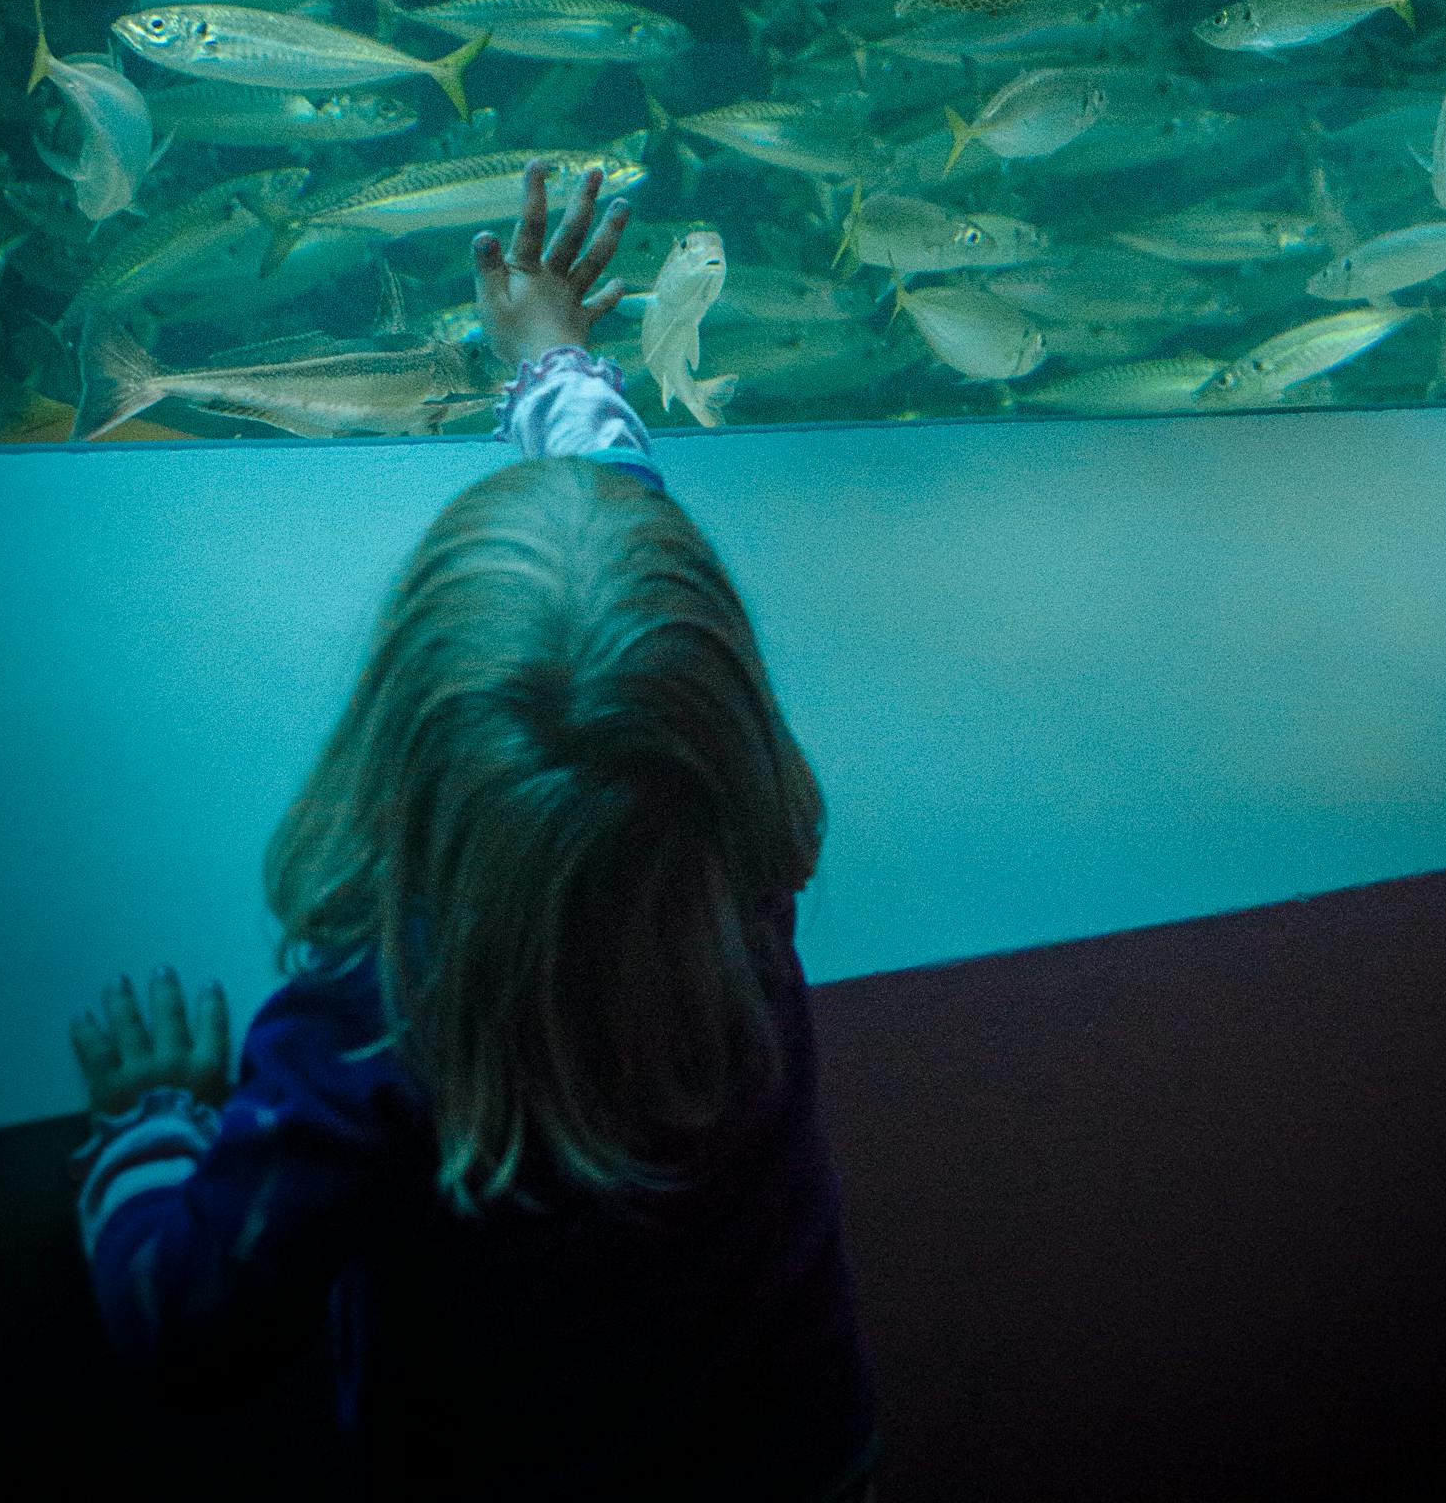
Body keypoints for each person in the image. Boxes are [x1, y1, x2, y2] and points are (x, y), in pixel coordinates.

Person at [69, 166, 878, 1503]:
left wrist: (148, 1126)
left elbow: (190, 1320)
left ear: (395, 735)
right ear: (727, 715)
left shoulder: (374, 1024)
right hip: (800, 1457)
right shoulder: (730, 858)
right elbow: (641, 560)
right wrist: (555, 361)